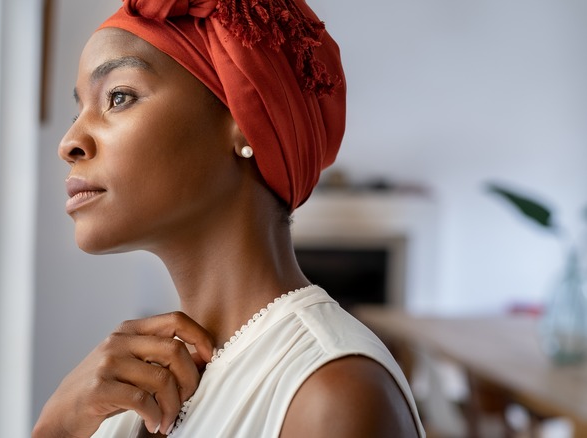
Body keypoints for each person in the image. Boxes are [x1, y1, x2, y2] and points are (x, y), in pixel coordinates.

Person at [33, 0, 425, 436]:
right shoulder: (125, 386)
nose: (69, 142)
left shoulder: (330, 395)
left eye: (118, 97)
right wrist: (57, 426)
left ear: (244, 117)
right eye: (77, 111)